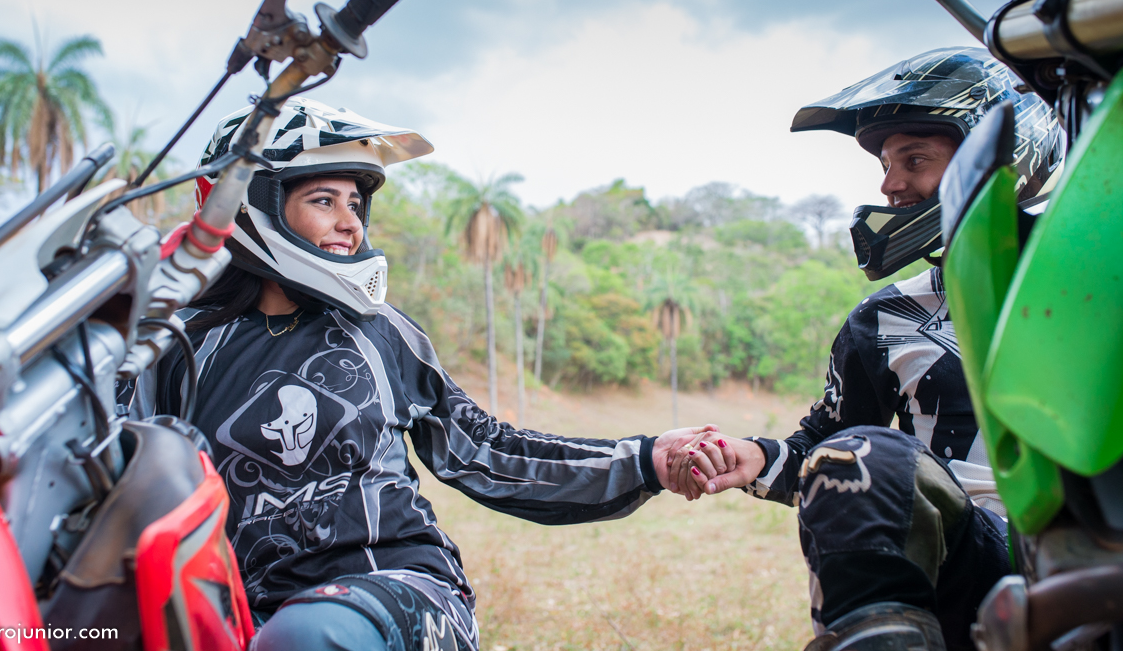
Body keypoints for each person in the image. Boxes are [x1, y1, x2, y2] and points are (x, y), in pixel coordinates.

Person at [130, 97, 732, 651]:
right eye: (323, 201)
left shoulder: (382, 332)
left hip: (400, 590)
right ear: (249, 201)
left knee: (304, 637)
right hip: (243, 608)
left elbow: (487, 450)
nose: (350, 223)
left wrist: (645, 458)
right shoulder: (177, 344)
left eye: (356, 204)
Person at [666, 48, 1065, 651]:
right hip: (971, 561)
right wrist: (752, 457)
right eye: (885, 162)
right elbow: (836, 451)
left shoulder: (1099, 283)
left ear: (999, 163)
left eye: (915, 159)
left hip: (1090, 546)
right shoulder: (884, 319)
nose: (889, 184)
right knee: (864, 451)